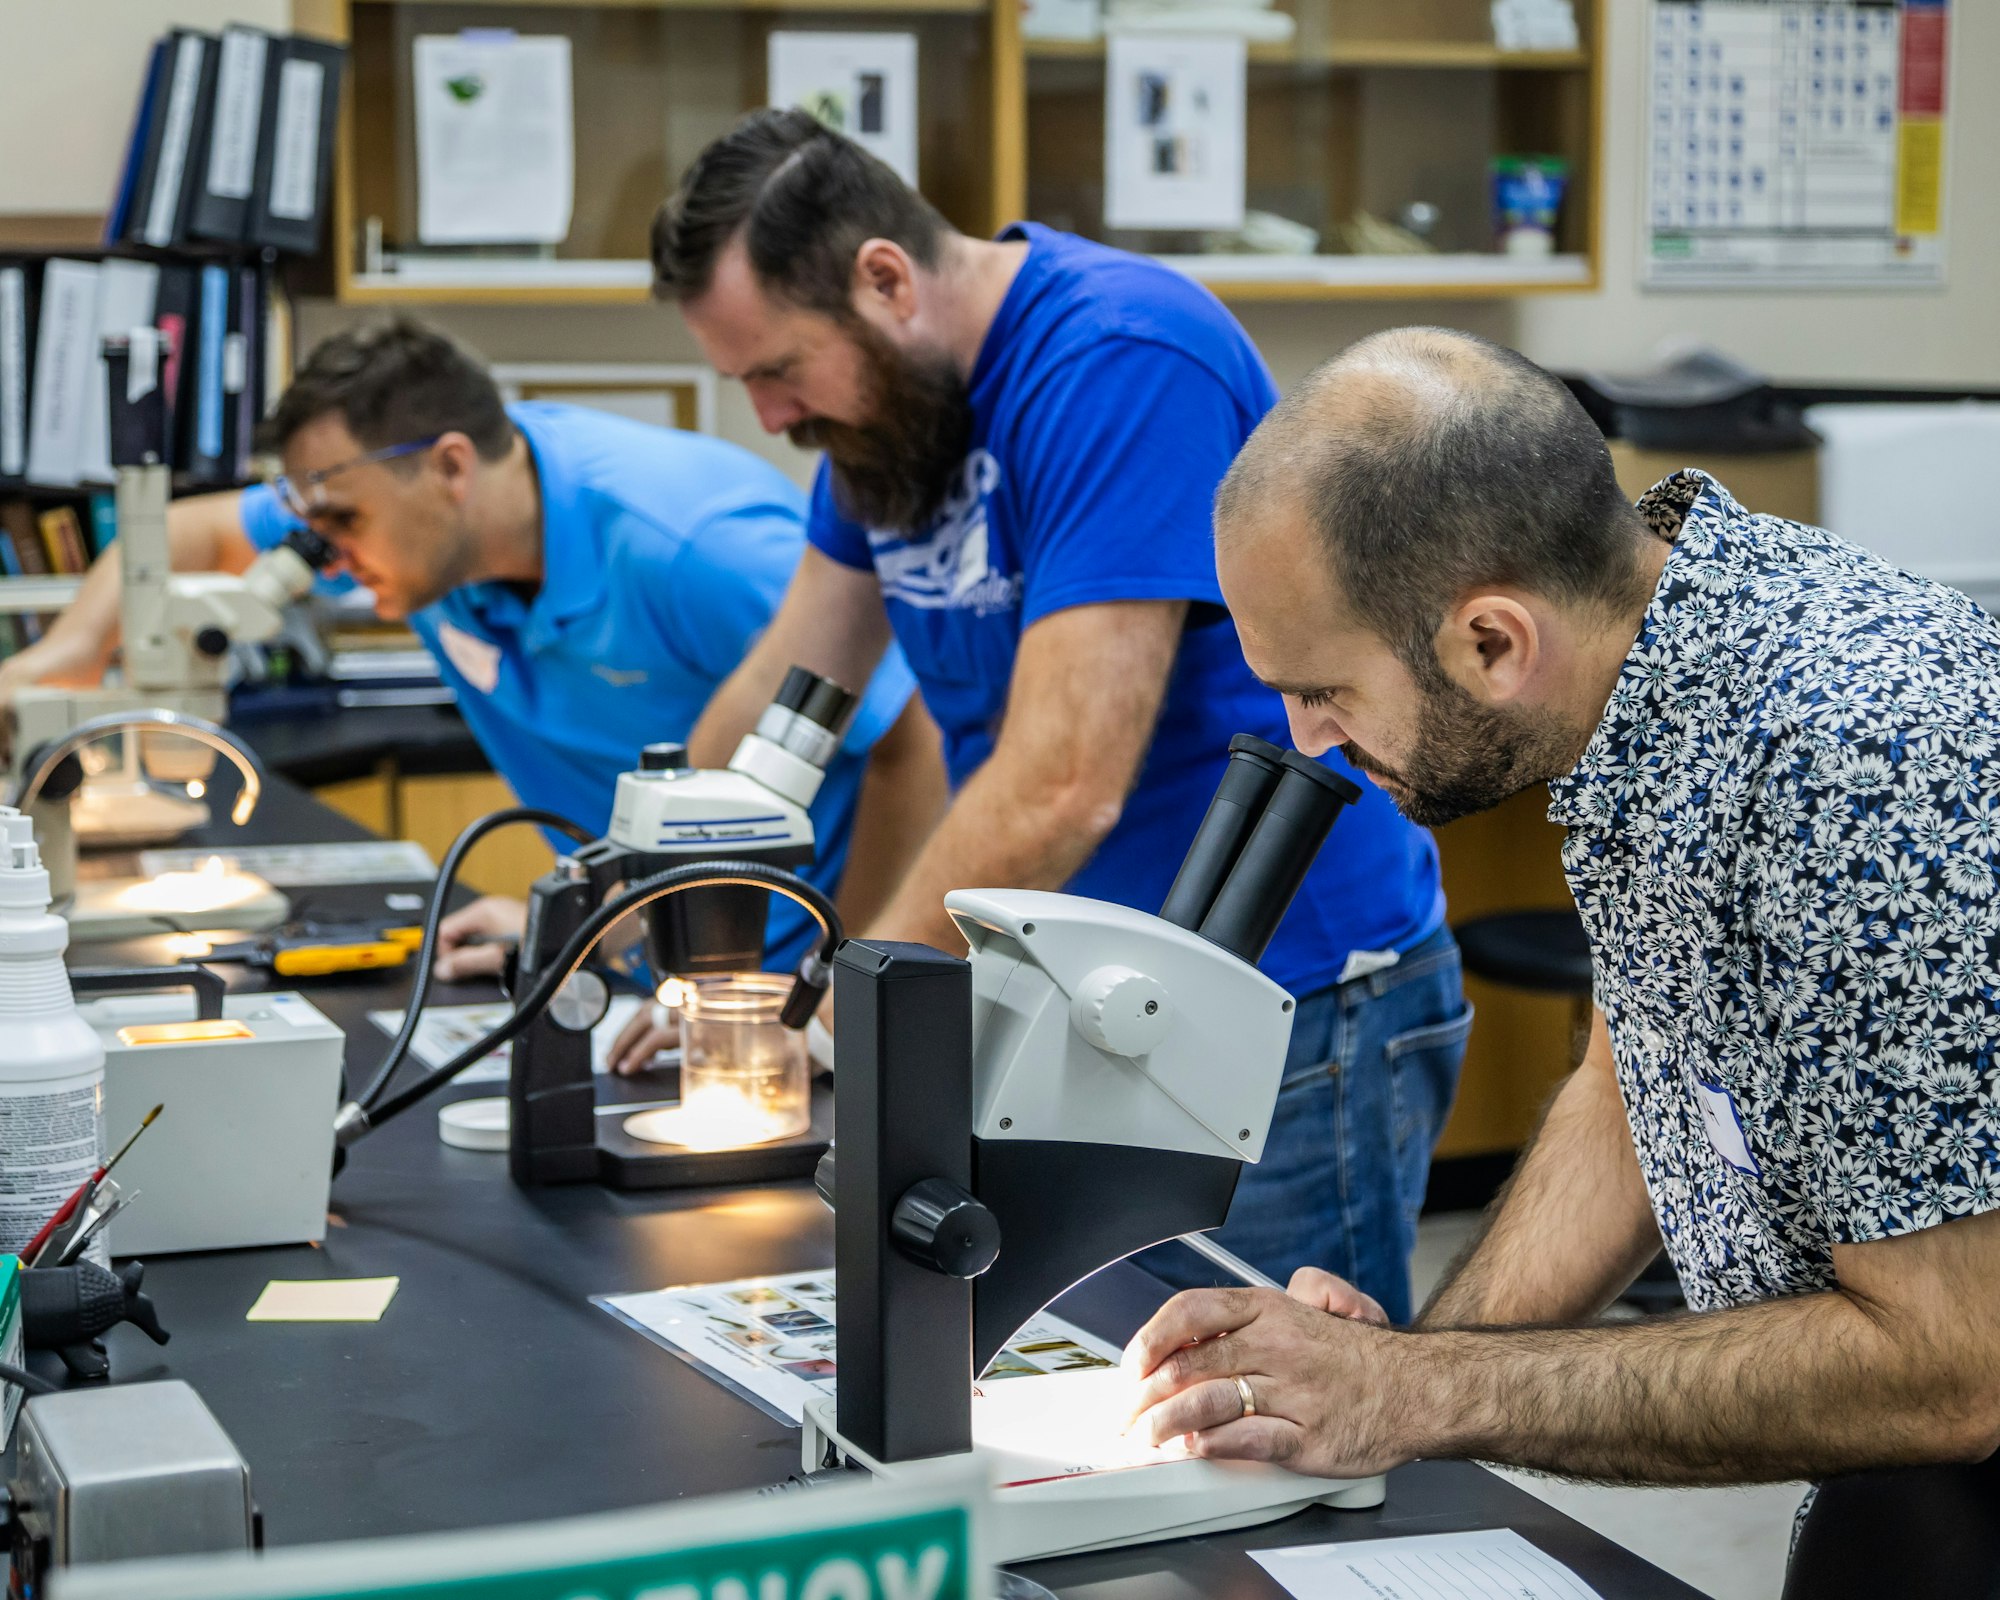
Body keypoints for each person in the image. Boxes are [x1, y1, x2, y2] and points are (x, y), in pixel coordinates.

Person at [1122, 327, 2000, 1594]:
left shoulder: (1849, 760)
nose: (1305, 742)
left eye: (1321, 690)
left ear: (1490, 641)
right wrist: (1414, 1364)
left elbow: (1949, 1361)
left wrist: (1423, 1391)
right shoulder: (1651, 661)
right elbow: (1635, 1072)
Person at [632, 108, 1465, 1320]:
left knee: (1274, 1420)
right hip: (1080, 991)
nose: (769, 417)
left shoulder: (1120, 359)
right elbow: (794, 675)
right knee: (1100, 1387)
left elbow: (1066, 778)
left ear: (884, 279)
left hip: (1276, 996)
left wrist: (841, 1012)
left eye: (775, 369)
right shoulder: (887, 421)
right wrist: (637, 905)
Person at [0, 317, 940, 974]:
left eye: (339, 518)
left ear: (449, 467)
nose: (321, 550)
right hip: (636, 942)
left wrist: (842, 978)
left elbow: (916, 740)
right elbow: (190, 537)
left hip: (774, 956)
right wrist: (65, 663)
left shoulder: (694, 549)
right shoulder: (417, 545)